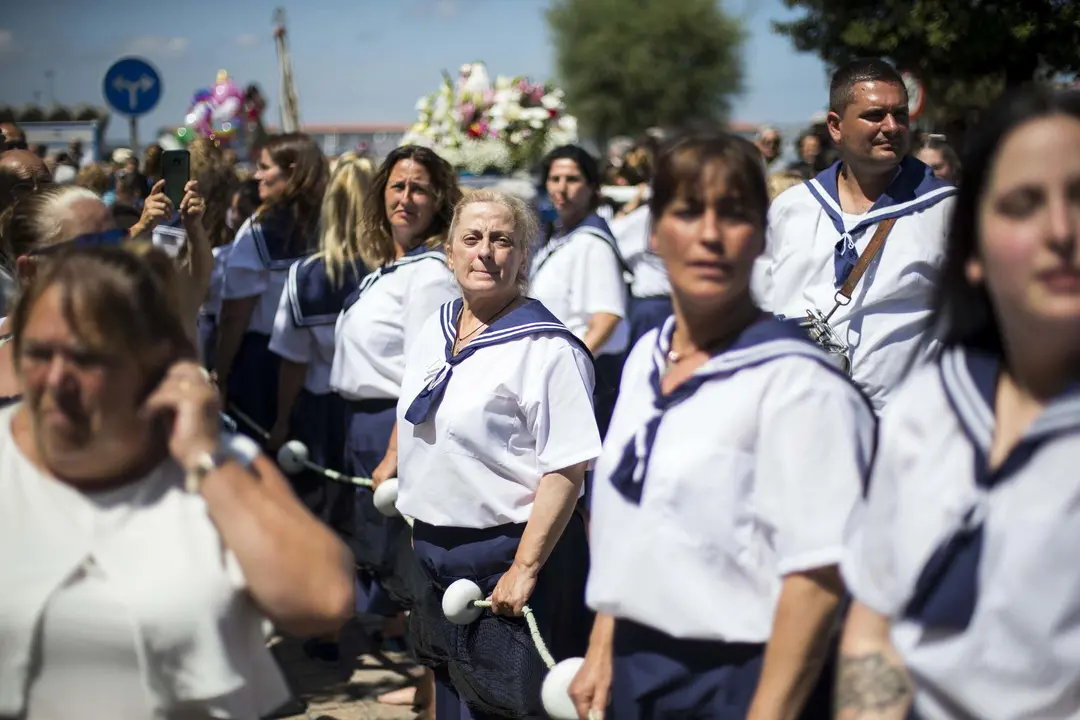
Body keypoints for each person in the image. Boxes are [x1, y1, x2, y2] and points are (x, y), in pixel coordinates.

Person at [569, 129, 876, 720]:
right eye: (687, 212)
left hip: (740, 681)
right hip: (637, 666)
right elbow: (633, 520)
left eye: (734, 214)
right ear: (654, 233)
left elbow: (818, 580)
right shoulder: (646, 357)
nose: (710, 235)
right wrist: (604, 645)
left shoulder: (799, 385)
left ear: (762, 235)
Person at [0, 245, 354, 718]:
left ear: (157, 362)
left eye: (88, 358)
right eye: (39, 353)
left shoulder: (221, 465)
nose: (57, 379)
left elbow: (322, 600)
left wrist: (204, 459)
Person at [838, 87, 1080, 720]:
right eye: (1023, 205)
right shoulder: (929, 409)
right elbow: (872, 625)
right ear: (972, 250)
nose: (1061, 231)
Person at [399, 189, 600, 719]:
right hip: (437, 554)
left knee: (512, 706)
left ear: (522, 257)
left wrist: (524, 566)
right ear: (449, 253)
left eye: (501, 240)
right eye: (471, 239)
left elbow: (567, 469)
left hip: (509, 562)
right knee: (450, 695)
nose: (484, 252)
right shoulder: (435, 326)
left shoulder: (549, 351)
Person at [754, 58, 958, 411]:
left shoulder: (945, 211)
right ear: (836, 126)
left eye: (900, 114)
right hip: (795, 418)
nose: (892, 126)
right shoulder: (792, 208)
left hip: (898, 434)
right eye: (875, 115)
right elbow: (757, 308)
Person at [328, 145, 461, 647]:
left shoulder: (429, 273)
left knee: (406, 556)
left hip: (392, 424)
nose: (406, 198)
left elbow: (424, 373)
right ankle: (408, 654)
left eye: (419, 188)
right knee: (381, 550)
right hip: (362, 421)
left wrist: (394, 450)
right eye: (397, 186)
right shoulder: (394, 267)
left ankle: (427, 681)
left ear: (438, 199)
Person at [0, 183, 210, 408]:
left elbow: (192, 291)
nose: (112, 259)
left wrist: (195, 231)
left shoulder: (143, 331)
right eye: (89, 246)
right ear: (30, 272)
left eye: (115, 240)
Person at [268, 153, 373, 527]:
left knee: (322, 517)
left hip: (320, 412)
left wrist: (281, 421)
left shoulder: (306, 275)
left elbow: (294, 360)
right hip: (380, 414)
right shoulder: (397, 272)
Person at [216, 133, 328, 436]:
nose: (257, 176)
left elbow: (234, 314)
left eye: (264, 167)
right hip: (324, 367)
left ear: (290, 171)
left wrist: (221, 373)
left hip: (265, 365)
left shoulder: (259, 229)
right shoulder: (332, 224)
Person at [530, 145, 629, 437]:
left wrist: (572, 374)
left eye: (572, 179)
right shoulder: (560, 238)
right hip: (556, 377)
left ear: (591, 187)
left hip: (586, 381)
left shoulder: (592, 244)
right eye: (555, 179)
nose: (562, 188)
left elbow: (607, 318)